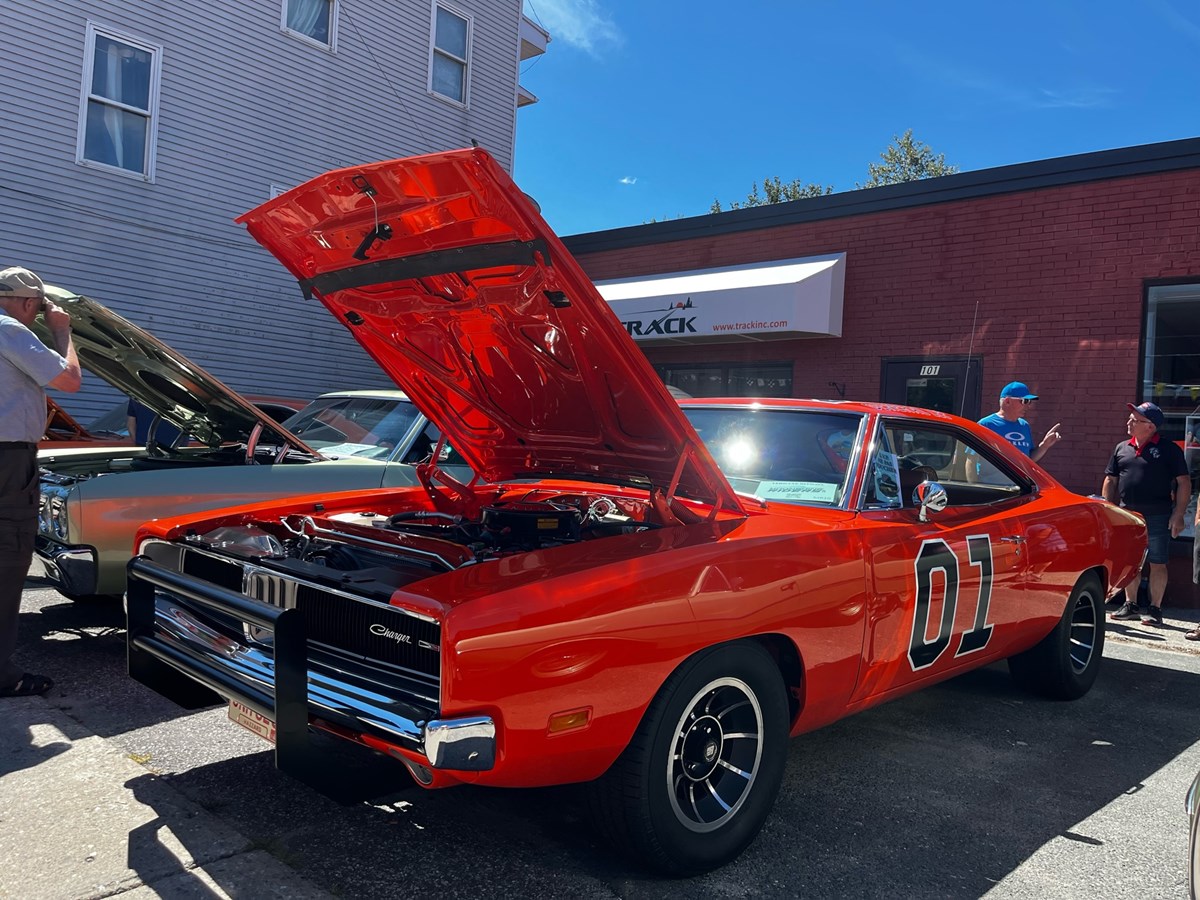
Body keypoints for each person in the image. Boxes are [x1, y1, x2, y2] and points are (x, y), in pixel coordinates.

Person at [0, 266, 81, 696]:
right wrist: (62, 331)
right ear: (29, 302)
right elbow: (69, 380)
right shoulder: (11, 330)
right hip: (7, 461)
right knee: (8, 558)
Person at [1105, 401, 1190, 626]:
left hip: (1158, 515)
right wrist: (1108, 507)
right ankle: (1131, 605)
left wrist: (1179, 513)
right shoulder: (1122, 448)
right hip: (1128, 516)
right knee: (1130, 562)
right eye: (1130, 418)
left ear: (1150, 426)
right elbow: (1111, 479)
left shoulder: (1169, 449)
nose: (1129, 422)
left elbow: (1184, 482)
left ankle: (1155, 609)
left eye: (1135, 420)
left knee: (1157, 562)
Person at [977, 381, 1062, 461]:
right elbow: (973, 458)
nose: (1028, 406)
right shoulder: (986, 425)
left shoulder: (1024, 425)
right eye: (1025, 401)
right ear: (1007, 401)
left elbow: (1029, 460)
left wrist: (1044, 445)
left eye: (1029, 402)